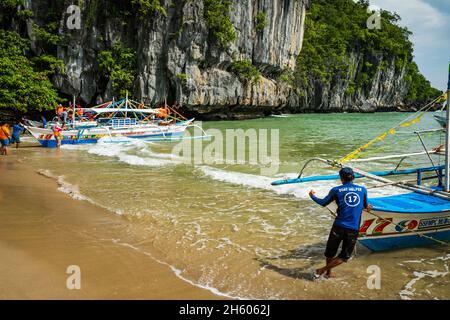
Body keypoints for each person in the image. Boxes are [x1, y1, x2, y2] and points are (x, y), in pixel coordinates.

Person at [309, 167, 372, 279]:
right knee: (344, 257)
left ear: (341, 178)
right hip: (353, 228)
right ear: (353, 177)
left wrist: (312, 196)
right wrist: (368, 207)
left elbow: (323, 203)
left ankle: (323, 271)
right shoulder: (362, 190)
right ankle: (326, 272)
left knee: (330, 253)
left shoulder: (336, 190)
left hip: (338, 226)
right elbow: (366, 206)